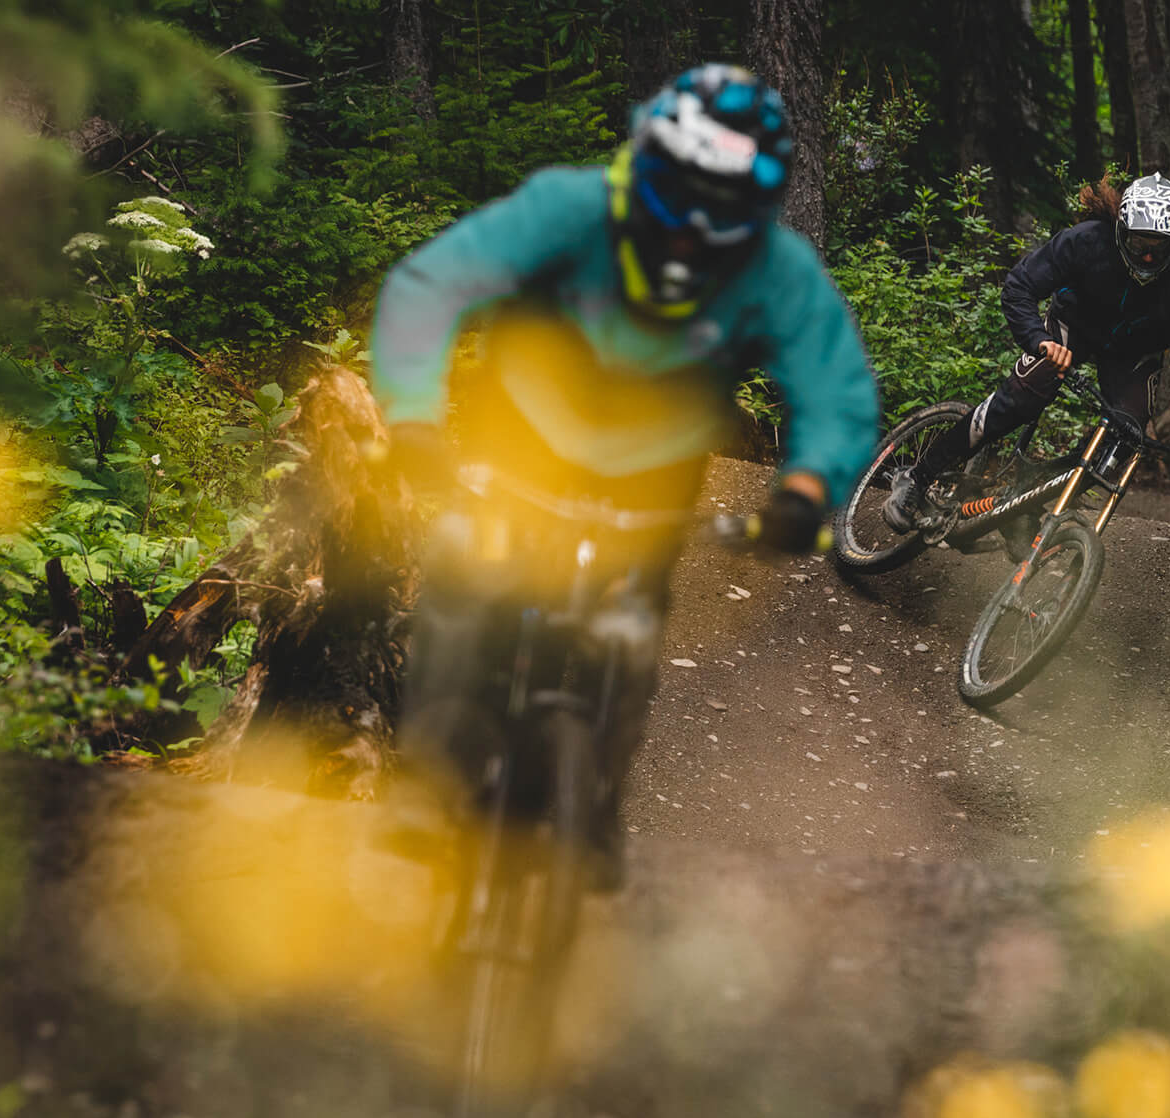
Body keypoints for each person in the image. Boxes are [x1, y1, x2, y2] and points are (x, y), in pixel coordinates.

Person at [368, 63, 879, 886]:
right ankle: (427, 787)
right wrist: (414, 417)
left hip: (651, 473)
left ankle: (595, 802)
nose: (693, 228)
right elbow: (431, 285)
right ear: (647, 167)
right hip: (521, 442)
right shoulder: (565, 210)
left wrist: (809, 487)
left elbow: (834, 387)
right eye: (682, 193)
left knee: (630, 623)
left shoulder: (775, 270)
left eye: (725, 210)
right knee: (469, 568)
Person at [885, 172, 1170, 542]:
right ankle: (918, 477)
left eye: (1158, 247)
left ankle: (1027, 501)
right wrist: (1039, 339)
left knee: (1124, 438)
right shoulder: (1086, 242)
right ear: (1121, 231)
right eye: (1138, 243)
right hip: (1073, 326)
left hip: (1134, 353)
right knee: (1024, 393)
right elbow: (1020, 286)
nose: (1147, 255)